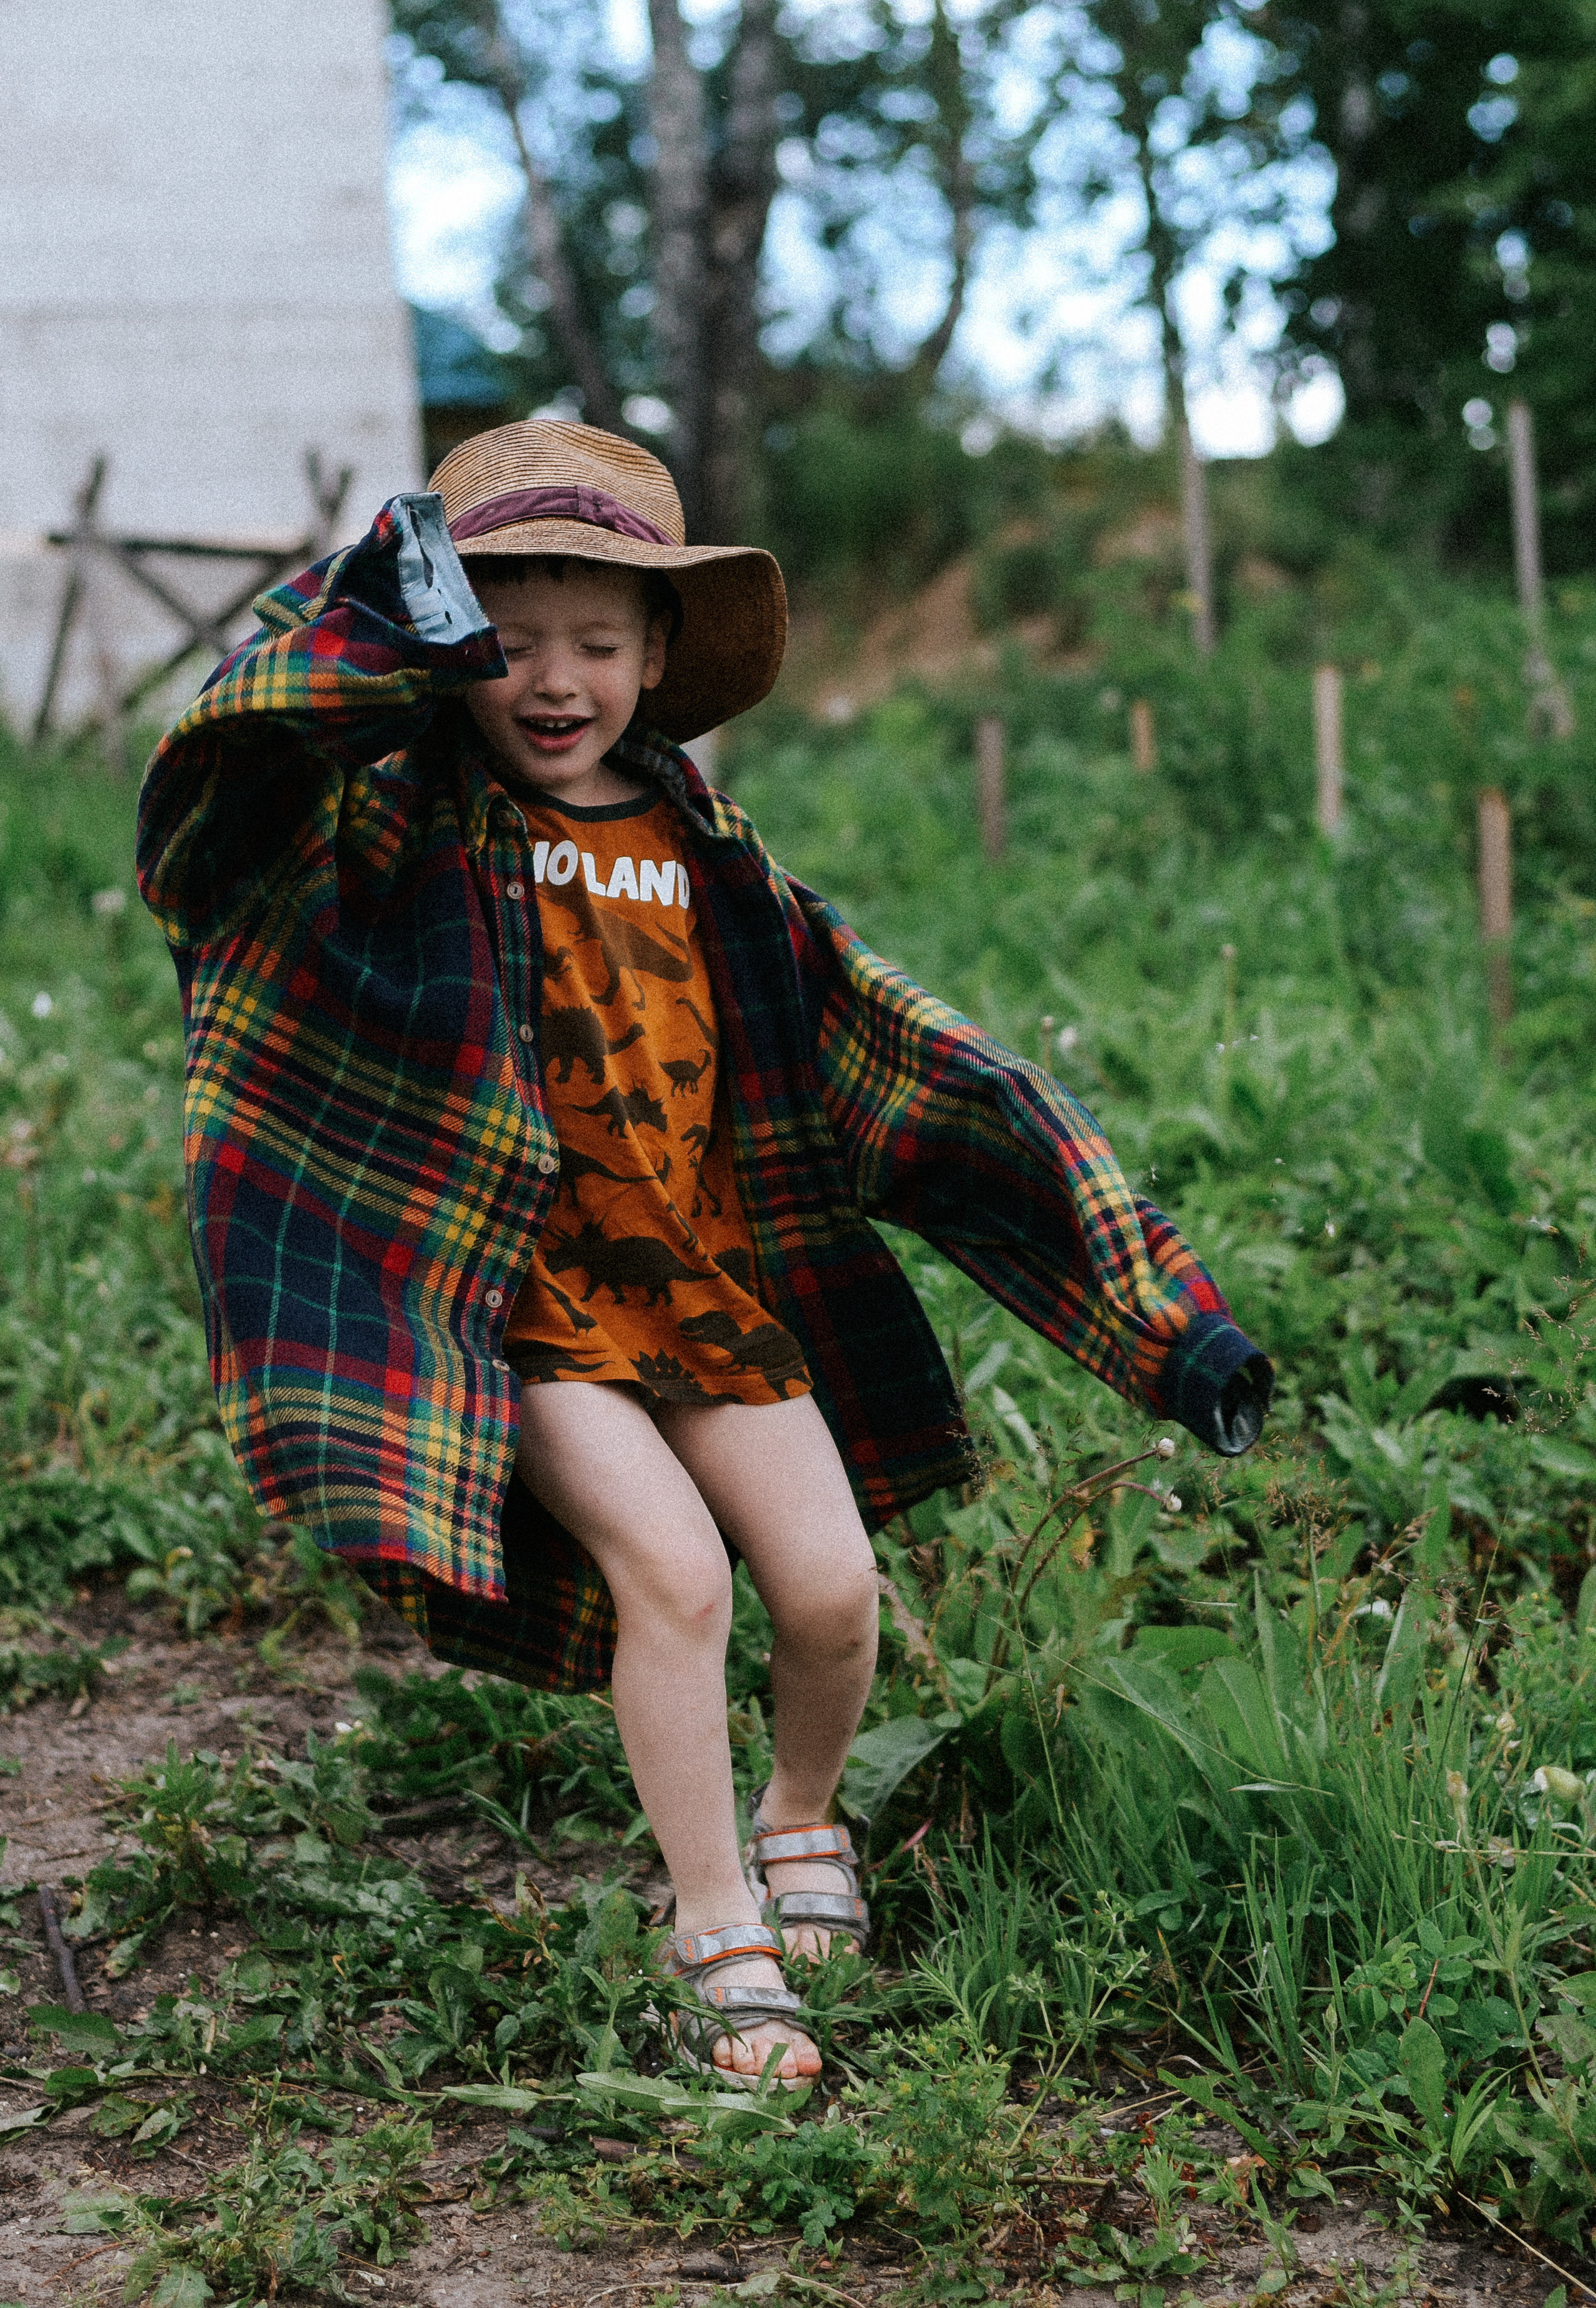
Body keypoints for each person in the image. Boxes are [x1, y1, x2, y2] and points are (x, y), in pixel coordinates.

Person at [138, 420, 1271, 2088]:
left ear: (659, 656)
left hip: (705, 1292)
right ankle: (715, 1919)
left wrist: (1173, 1327)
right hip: (522, 1302)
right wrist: (380, 618)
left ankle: (802, 1819)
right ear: (452, 654)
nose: (552, 681)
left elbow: (944, 1076)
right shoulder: (393, 833)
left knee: (829, 1595)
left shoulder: (717, 860)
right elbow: (214, 795)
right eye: (506, 643)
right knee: (672, 1577)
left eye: (597, 643)